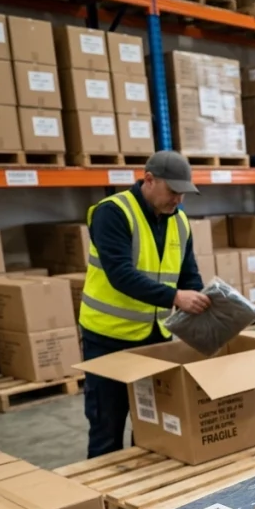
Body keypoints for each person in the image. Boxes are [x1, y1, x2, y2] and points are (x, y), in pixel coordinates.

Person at [80, 150, 209, 458]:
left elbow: (188, 273)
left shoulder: (179, 221)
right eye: (173, 191)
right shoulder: (112, 212)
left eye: (183, 194)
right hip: (109, 339)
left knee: (151, 425)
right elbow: (120, 274)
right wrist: (175, 298)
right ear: (149, 180)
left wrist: (203, 304)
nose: (178, 200)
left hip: (156, 338)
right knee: (106, 426)